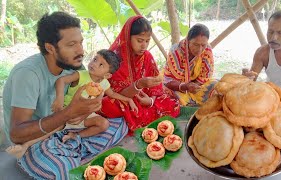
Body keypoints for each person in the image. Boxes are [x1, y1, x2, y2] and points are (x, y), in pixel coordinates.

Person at [2, 12, 128, 179]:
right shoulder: (28, 74)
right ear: (50, 48)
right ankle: (66, 153)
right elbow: (17, 134)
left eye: (81, 42)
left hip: (67, 127)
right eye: (71, 44)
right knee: (63, 172)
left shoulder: (73, 64)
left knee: (121, 125)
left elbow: (90, 95)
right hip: (36, 139)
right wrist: (69, 113)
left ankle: (70, 147)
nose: (81, 50)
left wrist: (90, 107)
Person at [99, 15, 180, 132]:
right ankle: (142, 116)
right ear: (128, 37)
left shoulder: (147, 56)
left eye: (147, 41)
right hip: (122, 99)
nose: (144, 46)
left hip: (144, 99)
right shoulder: (115, 58)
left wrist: (151, 101)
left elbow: (156, 83)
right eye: (140, 40)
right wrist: (138, 85)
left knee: (173, 103)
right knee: (107, 105)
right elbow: (114, 93)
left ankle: (135, 118)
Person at [51, 49, 138, 142]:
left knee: (104, 124)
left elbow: (112, 94)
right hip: (68, 110)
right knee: (55, 125)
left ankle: (75, 135)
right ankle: (63, 128)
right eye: (95, 59)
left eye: (101, 65)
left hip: (84, 114)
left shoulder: (104, 83)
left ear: (107, 75)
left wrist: (129, 100)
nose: (94, 64)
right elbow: (61, 80)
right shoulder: (81, 75)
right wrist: (59, 99)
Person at [163, 23, 216, 106]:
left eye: (203, 45)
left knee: (216, 87)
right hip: (178, 86)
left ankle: (192, 103)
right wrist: (186, 87)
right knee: (169, 95)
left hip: (196, 85)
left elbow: (206, 75)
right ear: (188, 41)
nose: (200, 49)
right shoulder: (176, 51)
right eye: (196, 44)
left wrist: (195, 86)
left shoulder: (207, 50)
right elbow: (169, 81)